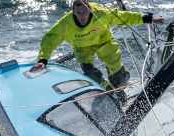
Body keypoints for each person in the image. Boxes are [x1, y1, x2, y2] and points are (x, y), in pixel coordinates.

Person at [29, 0, 164, 93]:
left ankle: (119, 82)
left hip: (103, 41)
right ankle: (108, 91)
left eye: (84, 12)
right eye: (78, 13)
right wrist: (43, 60)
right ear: (73, 11)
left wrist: (149, 18)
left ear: (90, 8)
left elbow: (124, 17)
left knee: (118, 77)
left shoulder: (101, 14)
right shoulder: (65, 24)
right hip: (82, 48)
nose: (82, 16)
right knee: (90, 73)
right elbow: (49, 40)